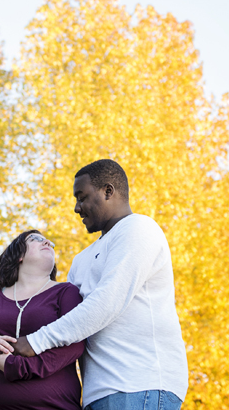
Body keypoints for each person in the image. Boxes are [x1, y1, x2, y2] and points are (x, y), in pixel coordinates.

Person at [12, 159, 189, 410]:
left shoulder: (139, 229)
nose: (76, 208)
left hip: (139, 386)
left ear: (108, 191)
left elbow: (107, 301)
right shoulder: (81, 260)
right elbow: (61, 316)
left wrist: (35, 342)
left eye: (81, 197)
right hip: (97, 393)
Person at [0, 230, 85, 410]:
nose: (47, 243)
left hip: (51, 405)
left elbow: (75, 346)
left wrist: (18, 367)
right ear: (19, 255)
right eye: (36, 239)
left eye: (49, 242)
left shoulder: (66, 292)